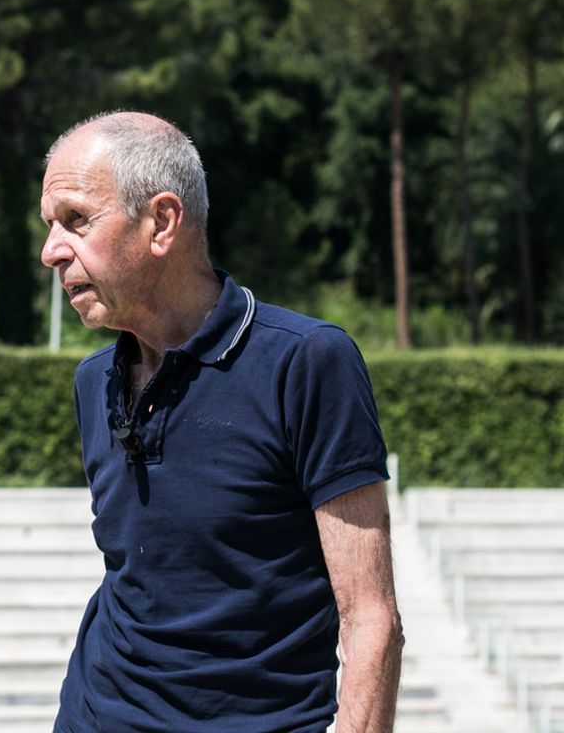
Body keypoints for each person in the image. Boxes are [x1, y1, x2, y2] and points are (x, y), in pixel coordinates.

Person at [39, 111, 403, 733]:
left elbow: (372, 619)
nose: (50, 252)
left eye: (76, 220)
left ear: (161, 223)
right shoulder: (91, 380)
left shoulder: (309, 361)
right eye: (49, 227)